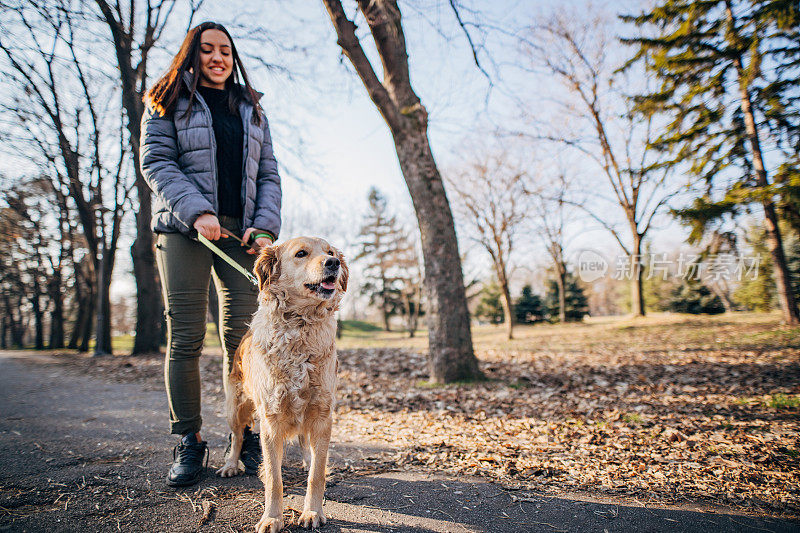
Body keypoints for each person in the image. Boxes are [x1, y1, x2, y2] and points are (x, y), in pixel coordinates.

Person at [140, 21, 281, 487]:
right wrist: (197, 211)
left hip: (242, 237)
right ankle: (189, 440)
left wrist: (264, 226)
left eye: (225, 50)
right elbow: (156, 162)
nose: (217, 57)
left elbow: (269, 175)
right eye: (207, 50)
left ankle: (242, 436)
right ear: (192, 54)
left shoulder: (252, 108)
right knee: (185, 337)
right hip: (185, 231)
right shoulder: (165, 99)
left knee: (243, 343)